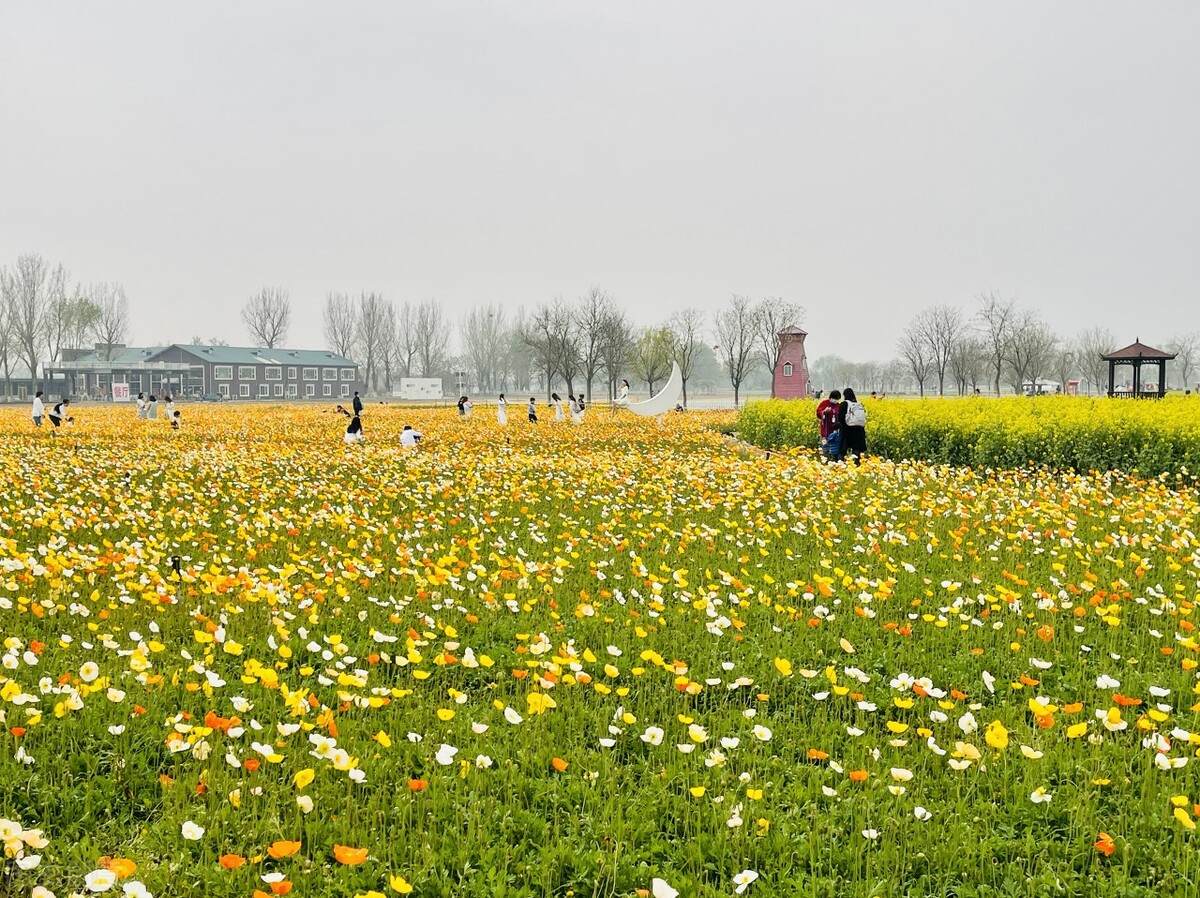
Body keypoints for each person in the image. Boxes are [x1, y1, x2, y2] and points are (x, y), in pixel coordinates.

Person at [837, 387, 867, 465]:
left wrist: (840, 426)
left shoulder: (844, 404)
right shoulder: (859, 404)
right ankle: (856, 466)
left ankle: (840, 465)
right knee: (856, 451)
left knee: (842, 450)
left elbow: (840, 417)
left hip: (847, 430)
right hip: (859, 431)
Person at [816, 389, 841, 461]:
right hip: (825, 429)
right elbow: (818, 412)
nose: (836, 400)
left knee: (835, 447)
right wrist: (824, 411)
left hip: (835, 430)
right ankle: (826, 459)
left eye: (837, 399)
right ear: (831, 397)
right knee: (825, 446)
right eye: (835, 398)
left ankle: (834, 459)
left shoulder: (838, 405)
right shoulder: (824, 403)